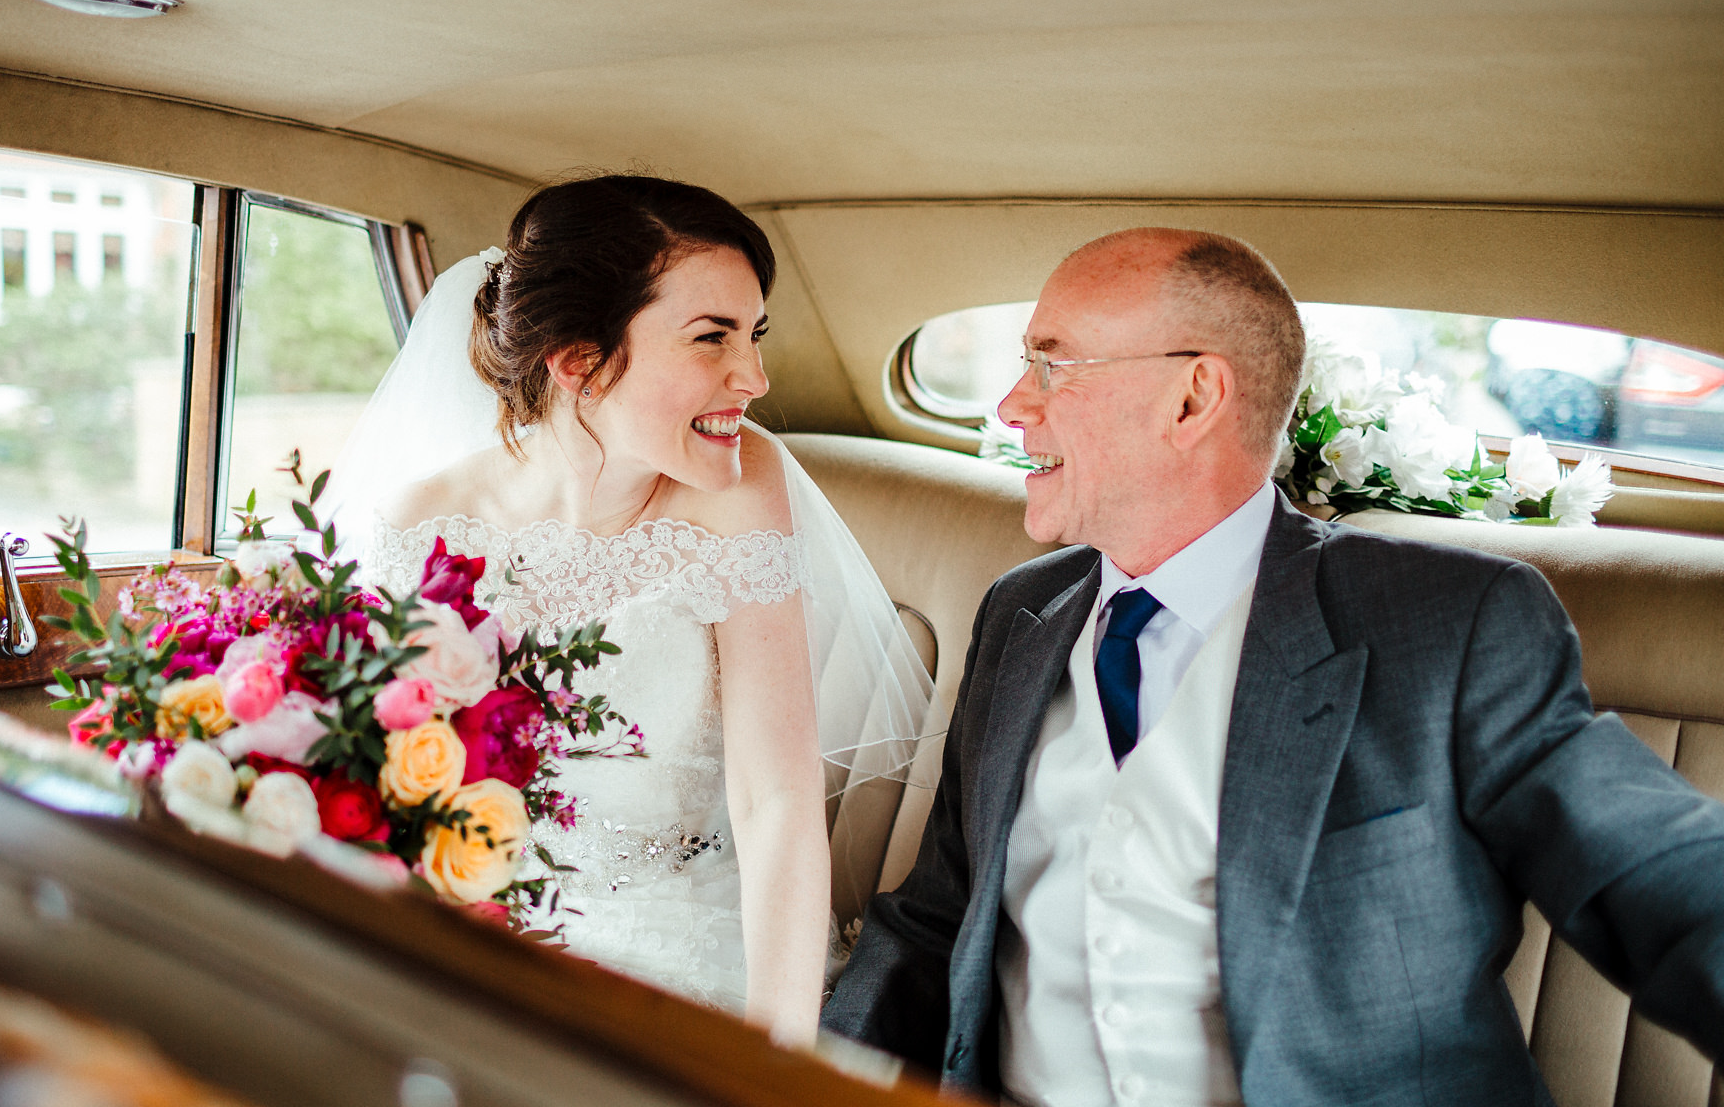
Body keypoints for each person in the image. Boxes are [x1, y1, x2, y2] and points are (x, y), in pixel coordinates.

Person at [822, 227, 1724, 1103]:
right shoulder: (1022, 612)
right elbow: (937, 917)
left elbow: (1659, 879)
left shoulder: (1448, 626)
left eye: (1052, 365)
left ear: (1193, 399)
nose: (1014, 404)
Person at [323, 175, 932, 1047]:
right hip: (470, 939)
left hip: (679, 943)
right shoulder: (423, 521)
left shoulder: (739, 485)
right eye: (711, 338)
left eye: (754, 335)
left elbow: (776, 798)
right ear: (578, 361)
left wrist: (777, 1063)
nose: (755, 377)